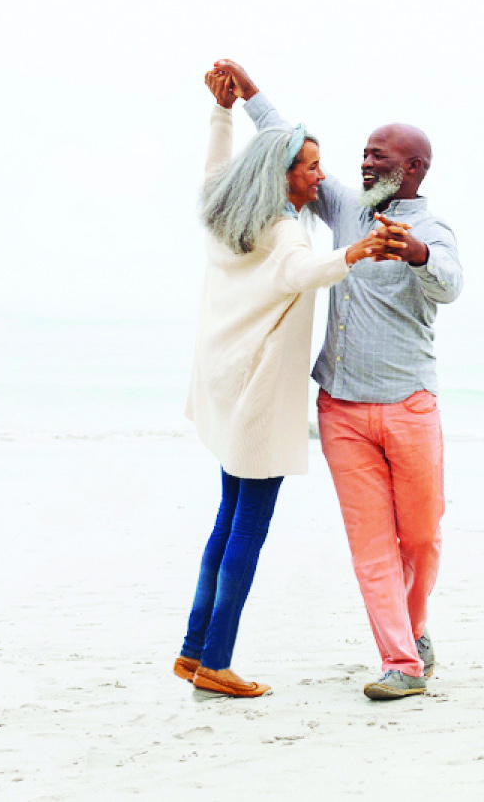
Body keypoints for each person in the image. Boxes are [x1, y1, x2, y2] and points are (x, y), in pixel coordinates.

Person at [212, 59, 462, 701]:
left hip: (410, 406)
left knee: (423, 538)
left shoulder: (431, 230)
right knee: (372, 545)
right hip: (343, 411)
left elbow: (452, 284)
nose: (364, 166)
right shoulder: (346, 209)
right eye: (363, 156)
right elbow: (289, 151)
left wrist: (416, 255)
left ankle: (416, 627)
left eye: (378, 158)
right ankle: (401, 665)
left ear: (411, 169)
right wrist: (249, 95)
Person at [176, 69, 388, 701]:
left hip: (223, 380)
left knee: (226, 518)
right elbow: (301, 272)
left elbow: (215, 169)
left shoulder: (227, 211)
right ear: (283, 174)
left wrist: (223, 113)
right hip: (261, 393)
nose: (319, 178)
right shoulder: (284, 230)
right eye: (310, 167)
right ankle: (215, 660)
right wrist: (354, 254)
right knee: (249, 527)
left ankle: (193, 649)